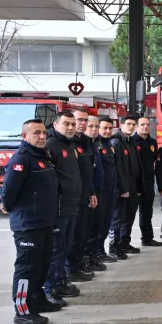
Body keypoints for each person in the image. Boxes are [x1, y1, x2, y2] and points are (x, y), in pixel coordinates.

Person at [1, 119, 60, 324]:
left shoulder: (43, 157)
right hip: (29, 225)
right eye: (36, 133)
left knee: (42, 265)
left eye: (44, 132)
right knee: (27, 268)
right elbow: (9, 192)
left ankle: (37, 299)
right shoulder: (21, 159)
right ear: (24, 136)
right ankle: (23, 311)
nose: (42, 136)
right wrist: (8, 207)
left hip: (45, 222)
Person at [43, 111, 82, 304]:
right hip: (59, 208)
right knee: (55, 249)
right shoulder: (51, 145)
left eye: (73, 124)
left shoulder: (69, 145)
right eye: (66, 123)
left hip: (71, 205)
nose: (71, 127)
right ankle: (49, 289)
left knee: (64, 248)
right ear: (55, 125)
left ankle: (59, 281)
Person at [65, 109, 98, 282]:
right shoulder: (67, 144)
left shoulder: (86, 142)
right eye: (79, 120)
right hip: (72, 199)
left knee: (82, 235)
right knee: (73, 236)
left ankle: (77, 265)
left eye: (85, 120)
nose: (82, 124)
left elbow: (88, 172)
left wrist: (91, 192)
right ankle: (70, 269)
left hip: (85, 195)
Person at [109, 115, 143, 258]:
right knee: (117, 219)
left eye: (133, 124)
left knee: (129, 218)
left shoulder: (131, 142)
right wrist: (123, 189)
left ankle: (124, 243)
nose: (131, 126)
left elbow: (138, 167)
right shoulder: (116, 142)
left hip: (133, 188)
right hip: (123, 189)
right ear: (121, 125)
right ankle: (114, 247)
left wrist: (139, 188)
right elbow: (118, 168)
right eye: (128, 124)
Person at [87, 116, 118, 264]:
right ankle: (95, 253)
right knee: (97, 225)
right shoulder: (95, 145)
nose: (107, 131)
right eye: (104, 128)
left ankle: (100, 251)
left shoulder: (110, 145)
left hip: (110, 190)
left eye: (110, 128)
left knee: (106, 223)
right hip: (99, 191)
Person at [81, 115, 107, 272]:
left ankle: (92, 257)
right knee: (86, 230)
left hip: (99, 191)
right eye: (91, 126)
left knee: (97, 227)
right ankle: (83, 261)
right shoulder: (82, 145)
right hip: (87, 193)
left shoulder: (94, 144)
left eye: (96, 127)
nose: (94, 129)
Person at [133, 117, 161, 247]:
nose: (145, 127)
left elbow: (155, 161)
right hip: (134, 183)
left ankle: (147, 238)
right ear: (137, 127)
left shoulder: (152, 142)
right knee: (129, 215)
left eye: (147, 125)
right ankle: (122, 242)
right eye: (142, 124)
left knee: (147, 212)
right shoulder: (132, 141)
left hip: (149, 183)